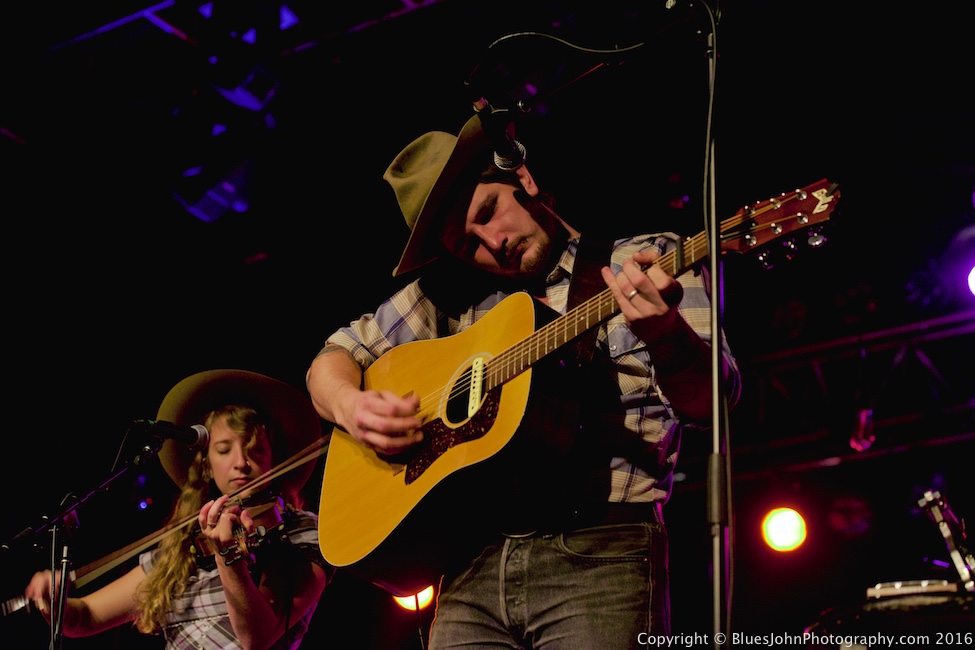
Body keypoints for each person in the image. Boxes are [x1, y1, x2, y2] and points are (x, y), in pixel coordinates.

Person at [305, 112, 742, 647]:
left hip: (601, 553)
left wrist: (667, 334)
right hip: (471, 564)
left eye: (489, 211)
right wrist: (350, 406)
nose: (491, 242)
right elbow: (334, 356)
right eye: (467, 244)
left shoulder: (646, 260)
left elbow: (711, 404)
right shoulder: (451, 295)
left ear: (523, 179)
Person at [24, 369, 333, 649]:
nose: (241, 462)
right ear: (207, 465)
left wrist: (229, 560)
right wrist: (54, 603)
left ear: (273, 460)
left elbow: (258, 638)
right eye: (224, 450)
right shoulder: (182, 549)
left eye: (255, 450)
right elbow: (86, 618)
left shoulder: (299, 532)